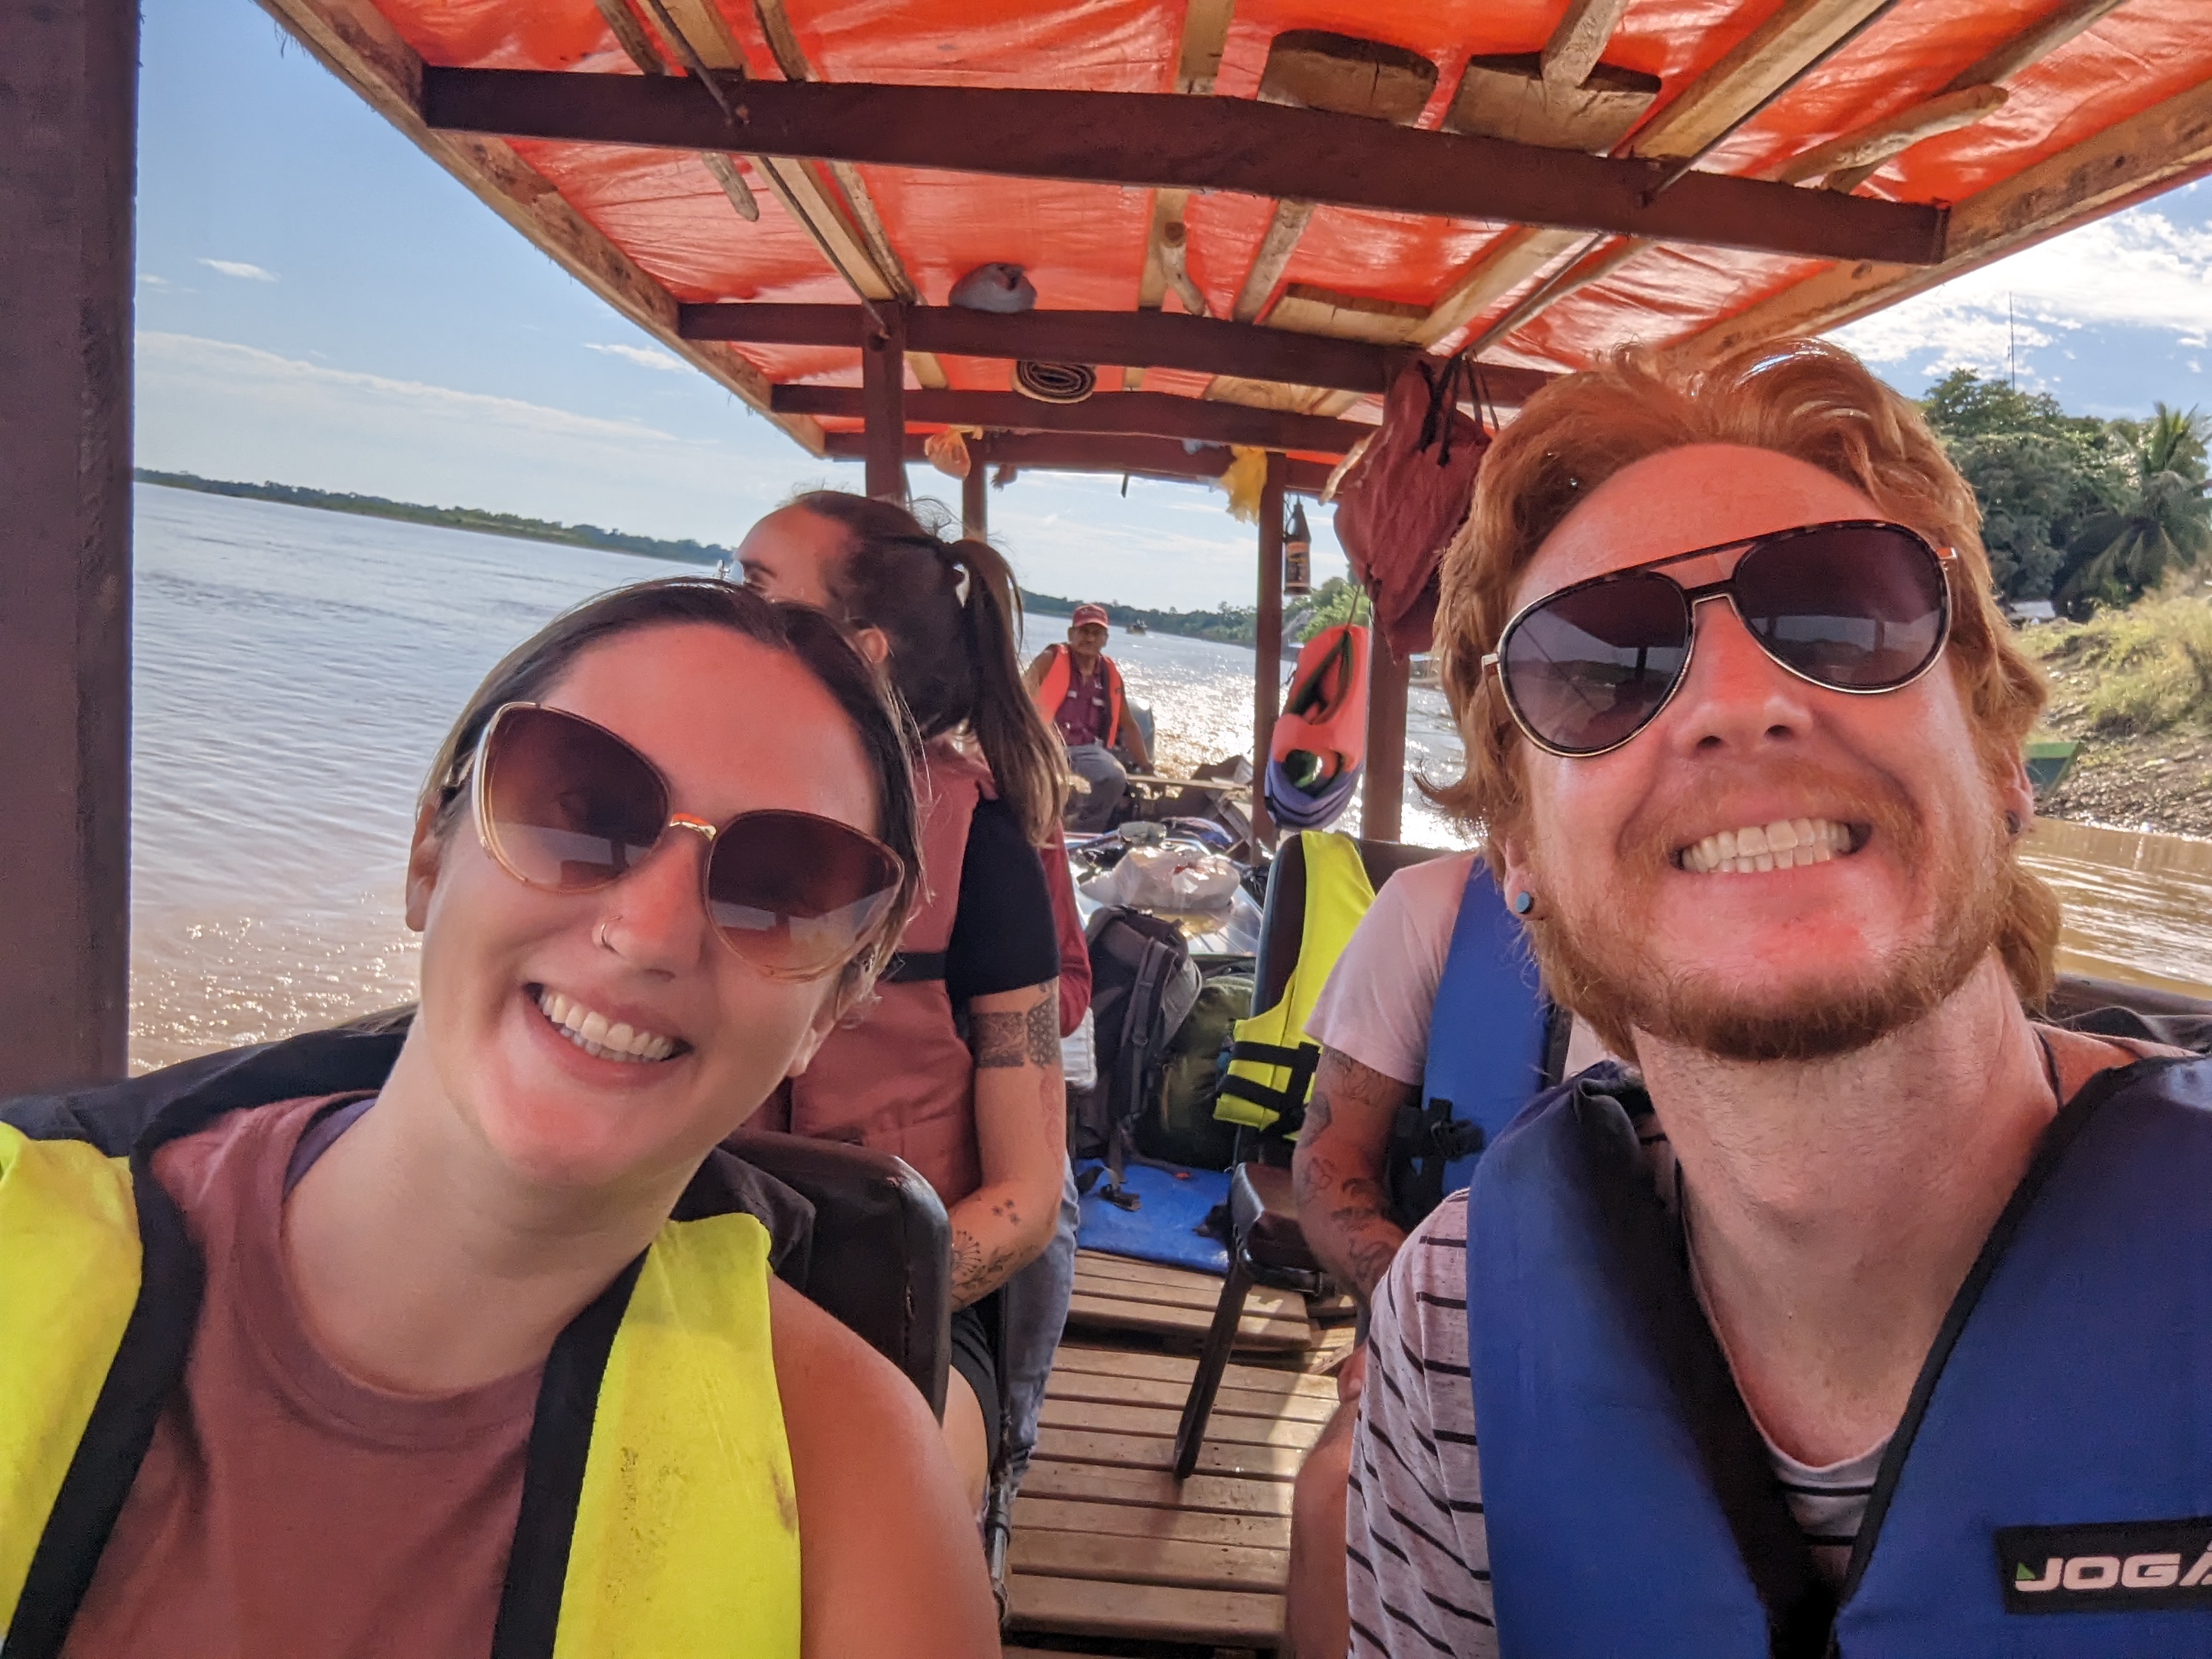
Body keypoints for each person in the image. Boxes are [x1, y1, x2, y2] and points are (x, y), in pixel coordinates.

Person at [1346, 338, 2212, 1655]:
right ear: (1516, 850)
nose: (1738, 704)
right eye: (1600, 664)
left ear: (1998, 757)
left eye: (1840, 618)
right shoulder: (1458, 1325)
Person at [0, 579, 1000, 1657]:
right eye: (581, 811)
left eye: (785, 887)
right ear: (429, 855)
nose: (649, 934)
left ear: (827, 1012)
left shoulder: (852, 1489)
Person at [736, 492, 1079, 1515]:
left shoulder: (985, 848)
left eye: (754, 590)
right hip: (677, 1258)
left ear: (861, 650)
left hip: (901, 1291)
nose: (721, 612)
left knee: (890, 1491)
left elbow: (1024, 1199)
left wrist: (846, 1318)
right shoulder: (685, 811)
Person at [1025, 602, 1151, 831]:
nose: (1090, 639)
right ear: (1071, 634)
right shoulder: (1050, 659)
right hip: (1045, 744)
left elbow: (1129, 725)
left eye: (1096, 633)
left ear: (1105, 639)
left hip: (1087, 749)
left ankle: (1084, 831)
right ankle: (1036, 828)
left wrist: (1147, 767)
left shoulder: (1110, 674)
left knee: (1115, 777)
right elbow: (1018, 698)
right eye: (1084, 632)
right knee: (1037, 781)